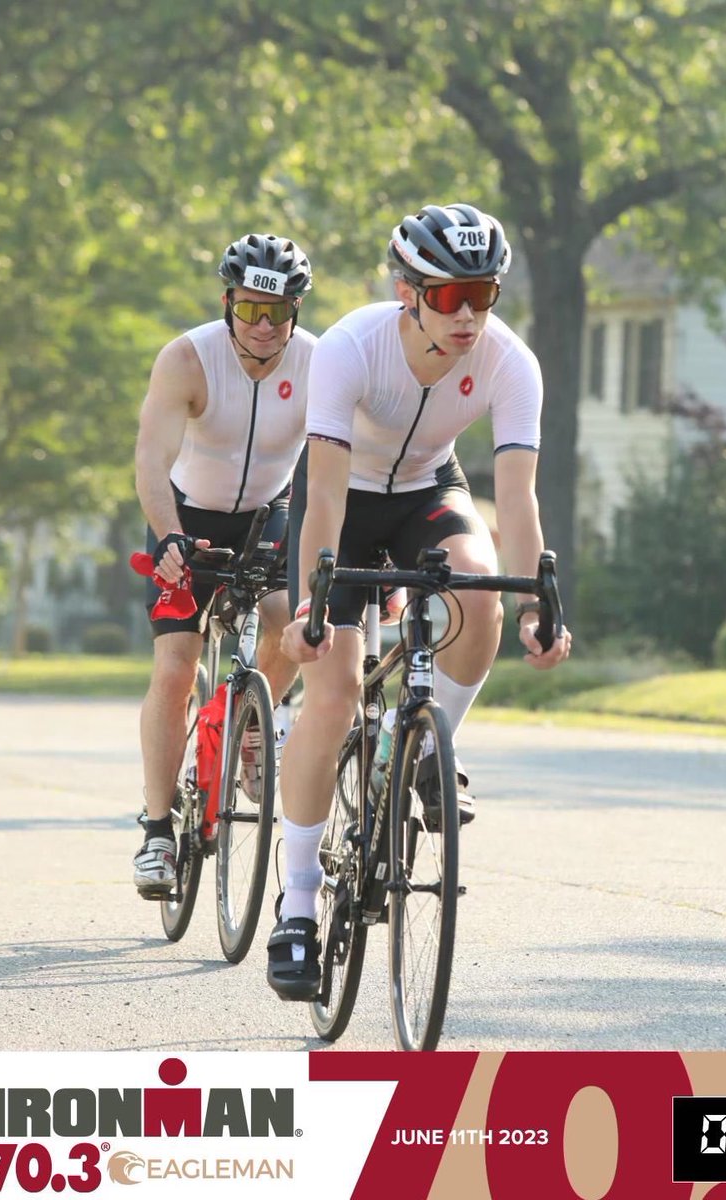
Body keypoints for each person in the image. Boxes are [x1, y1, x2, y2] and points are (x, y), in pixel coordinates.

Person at [266, 202, 572, 1000]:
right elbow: (324, 496)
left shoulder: (511, 362)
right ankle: (297, 904)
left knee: (481, 598)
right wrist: (311, 604)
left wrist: (538, 599)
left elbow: (516, 493)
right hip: (344, 500)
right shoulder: (349, 348)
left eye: (484, 293)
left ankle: (432, 746)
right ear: (407, 292)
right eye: (447, 297)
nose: (468, 314)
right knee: (330, 700)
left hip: (428, 492)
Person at [132, 233, 316, 897]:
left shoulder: (319, 364)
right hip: (187, 518)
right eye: (248, 311)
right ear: (227, 303)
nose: (263, 328)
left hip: (270, 518)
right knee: (177, 666)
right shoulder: (188, 358)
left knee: (291, 624)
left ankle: (244, 726)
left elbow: (333, 465)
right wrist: (170, 537)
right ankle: (156, 831)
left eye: (278, 313)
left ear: (295, 310)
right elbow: (152, 462)